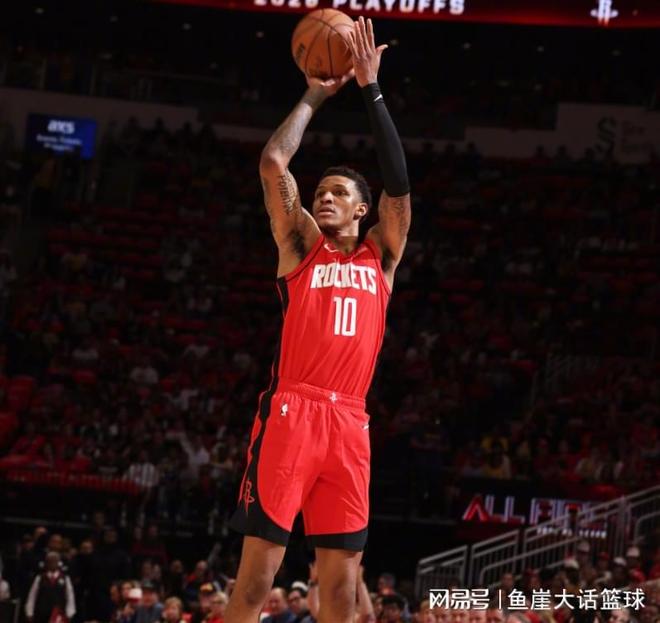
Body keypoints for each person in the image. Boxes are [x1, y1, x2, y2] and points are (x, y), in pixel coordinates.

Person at [225, 16, 410, 623]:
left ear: (362, 209)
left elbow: (398, 182)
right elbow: (275, 162)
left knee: (341, 590)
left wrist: (370, 87)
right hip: (292, 412)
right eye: (320, 192)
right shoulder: (301, 246)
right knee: (255, 584)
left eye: (338, 193)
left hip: (350, 422)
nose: (324, 197)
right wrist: (314, 94)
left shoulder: (382, 253)